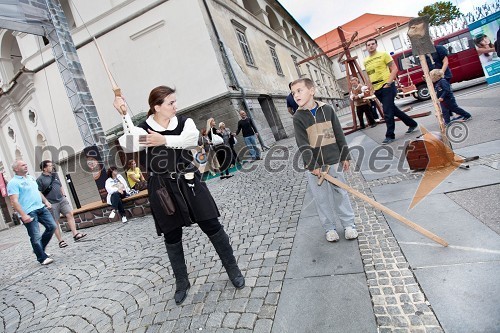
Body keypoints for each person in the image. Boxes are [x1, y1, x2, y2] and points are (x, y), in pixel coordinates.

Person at [113, 86, 245, 305]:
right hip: (162, 187)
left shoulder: (185, 123)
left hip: (189, 180)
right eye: (170, 103)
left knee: (212, 225)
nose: (176, 106)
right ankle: (182, 282)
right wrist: (124, 114)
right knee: (171, 236)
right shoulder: (145, 129)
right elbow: (129, 143)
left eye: (175, 102)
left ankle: (233, 269)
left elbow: (191, 140)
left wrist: (163, 140)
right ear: (157, 107)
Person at [291, 78, 358, 242]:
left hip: (333, 159)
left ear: (312, 90)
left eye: (300, 90)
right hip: (315, 167)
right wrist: (312, 165)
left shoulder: (327, 109)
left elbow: (338, 133)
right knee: (321, 198)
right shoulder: (298, 117)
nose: (296, 95)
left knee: (340, 192)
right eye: (293, 93)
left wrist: (344, 155)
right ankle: (329, 228)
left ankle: (349, 225)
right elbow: (302, 144)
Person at [364, 38, 418, 144]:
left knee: (387, 111)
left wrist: (388, 83)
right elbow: (369, 74)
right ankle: (411, 123)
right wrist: (370, 87)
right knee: (393, 109)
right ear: (366, 47)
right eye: (368, 44)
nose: (371, 46)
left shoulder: (384, 55)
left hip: (387, 86)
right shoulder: (365, 61)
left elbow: (394, 69)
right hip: (377, 88)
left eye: (373, 44)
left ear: (376, 45)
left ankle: (390, 135)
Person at [7, 160, 56, 265]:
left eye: (25, 164)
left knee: (52, 226)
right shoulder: (13, 183)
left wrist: (46, 201)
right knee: (35, 235)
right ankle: (42, 257)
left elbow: (37, 191)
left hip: (40, 207)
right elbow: (14, 201)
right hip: (28, 212)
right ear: (16, 169)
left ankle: (39, 248)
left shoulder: (30, 178)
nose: (26, 166)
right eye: (22, 165)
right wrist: (23, 215)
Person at [37, 160, 87, 248]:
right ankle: (61, 241)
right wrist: (46, 202)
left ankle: (75, 234)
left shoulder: (55, 175)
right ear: (44, 168)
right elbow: (39, 192)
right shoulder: (40, 179)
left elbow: (60, 185)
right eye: (49, 166)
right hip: (52, 203)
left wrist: (63, 195)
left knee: (69, 214)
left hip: (62, 200)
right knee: (55, 222)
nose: (52, 167)